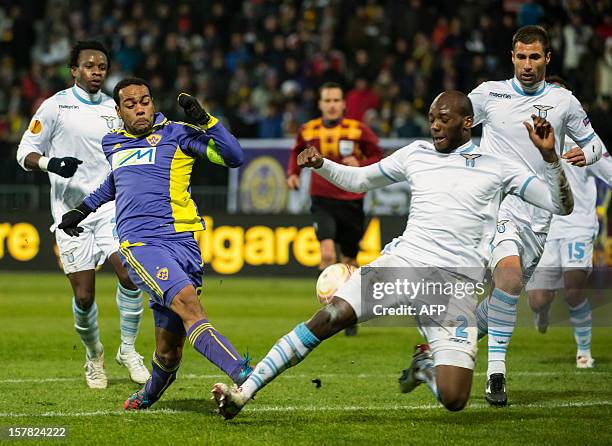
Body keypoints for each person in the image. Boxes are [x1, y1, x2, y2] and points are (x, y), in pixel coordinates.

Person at [210, 90, 573, 419]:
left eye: (443, 118)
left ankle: (426, 368)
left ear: (466, 122)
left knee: (454, 398)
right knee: (331, 315)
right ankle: (243, 393)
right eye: (431, 118)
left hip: (453, 289)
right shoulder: (416, 154)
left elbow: (561, 205)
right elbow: (361, 180)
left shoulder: (497, 167)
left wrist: (550, 157)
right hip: (403, 265)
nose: (434, 125)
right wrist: (322, 165)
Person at [58, 78, 252, 410]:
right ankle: (247, 374)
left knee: (169, 348)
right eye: (130, 104)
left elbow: (234, 157)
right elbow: (115, 182)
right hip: (140, 243)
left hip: (185, 244)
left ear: (154, 103)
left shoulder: (178, 133)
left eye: (144, 101)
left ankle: (147, 395)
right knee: (190, 305)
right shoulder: (112, 143)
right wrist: (81, 210)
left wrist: (206, 120)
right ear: (119, 111)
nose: (139, 108)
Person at [468, 25, 605, 406]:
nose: (527, 65)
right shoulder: (488, 94)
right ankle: (496, 374)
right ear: (512, 57)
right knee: (509, 279)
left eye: (534, 57)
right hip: (499, 205)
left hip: (542, 217)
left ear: (547, 58)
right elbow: (455, 120)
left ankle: (452, 340)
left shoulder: (564, 103)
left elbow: (595, 145)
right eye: (520, 57)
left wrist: (587, 154)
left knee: (504, 296)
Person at [16, 41, 149, 389]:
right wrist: (51, 163)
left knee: (130, 274)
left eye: (102, 66)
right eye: (89, 66)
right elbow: (24, 151)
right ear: (74, 70)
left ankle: (129, 349)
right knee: (84, 296)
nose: (97, 72)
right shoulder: (54, 107)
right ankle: (94, 355)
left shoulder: (113, 108)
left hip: (108, 207)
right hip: (70, 214)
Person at [526, 76, 612, 369]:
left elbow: (610, 172)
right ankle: (542, 312)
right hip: (543, 229)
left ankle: (584, 351)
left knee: (574, 288)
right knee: (537, 299)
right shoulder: (531, 141)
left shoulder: (588, 143)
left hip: (577, 225)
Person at [287, 82, 383, 336]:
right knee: (327, 254)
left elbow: (379, 156)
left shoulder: (357, 130)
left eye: (335, 100)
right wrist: (292, 173)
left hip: (352, 201)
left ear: (343, 104)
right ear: (320, 104)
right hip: (322, 199)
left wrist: (361, 162)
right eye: (326, 100)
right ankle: (327, 314)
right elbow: (296, 151)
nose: (331, 105)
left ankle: (348, 314)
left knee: (349, 261)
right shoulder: (308, 130)